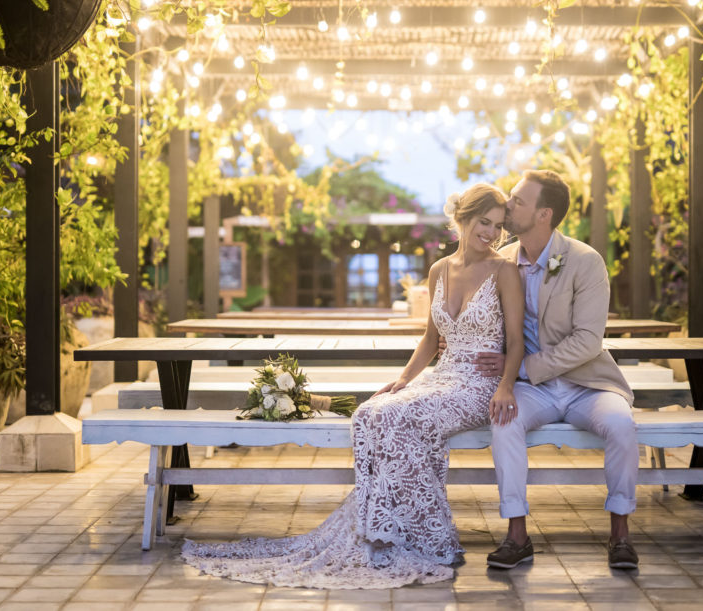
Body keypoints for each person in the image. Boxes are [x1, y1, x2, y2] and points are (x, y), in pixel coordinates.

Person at [181, 182, 525, 589]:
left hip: (480, 385)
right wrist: (402, 380)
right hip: (442, 376)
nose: (491, 233)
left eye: (499, 226)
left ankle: (430, 538)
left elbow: (517, 342)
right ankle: (381, 529)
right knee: (368, 412)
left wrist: (505, 385)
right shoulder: (439, 271)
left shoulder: (504, 271)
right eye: (484, 222)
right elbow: (431, 341)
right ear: (462, 219)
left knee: (402, 416)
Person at [480, 170, 641, 570]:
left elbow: (589, 341)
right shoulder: (499, 264)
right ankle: (517, 535)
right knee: (503, 421)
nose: (508, 204)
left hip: (588, 384)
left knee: (622, 425)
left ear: (543, 214)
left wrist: (524, 367)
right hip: (531, 390)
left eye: (518, 200)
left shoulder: (585, 261)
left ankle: (620, 533)